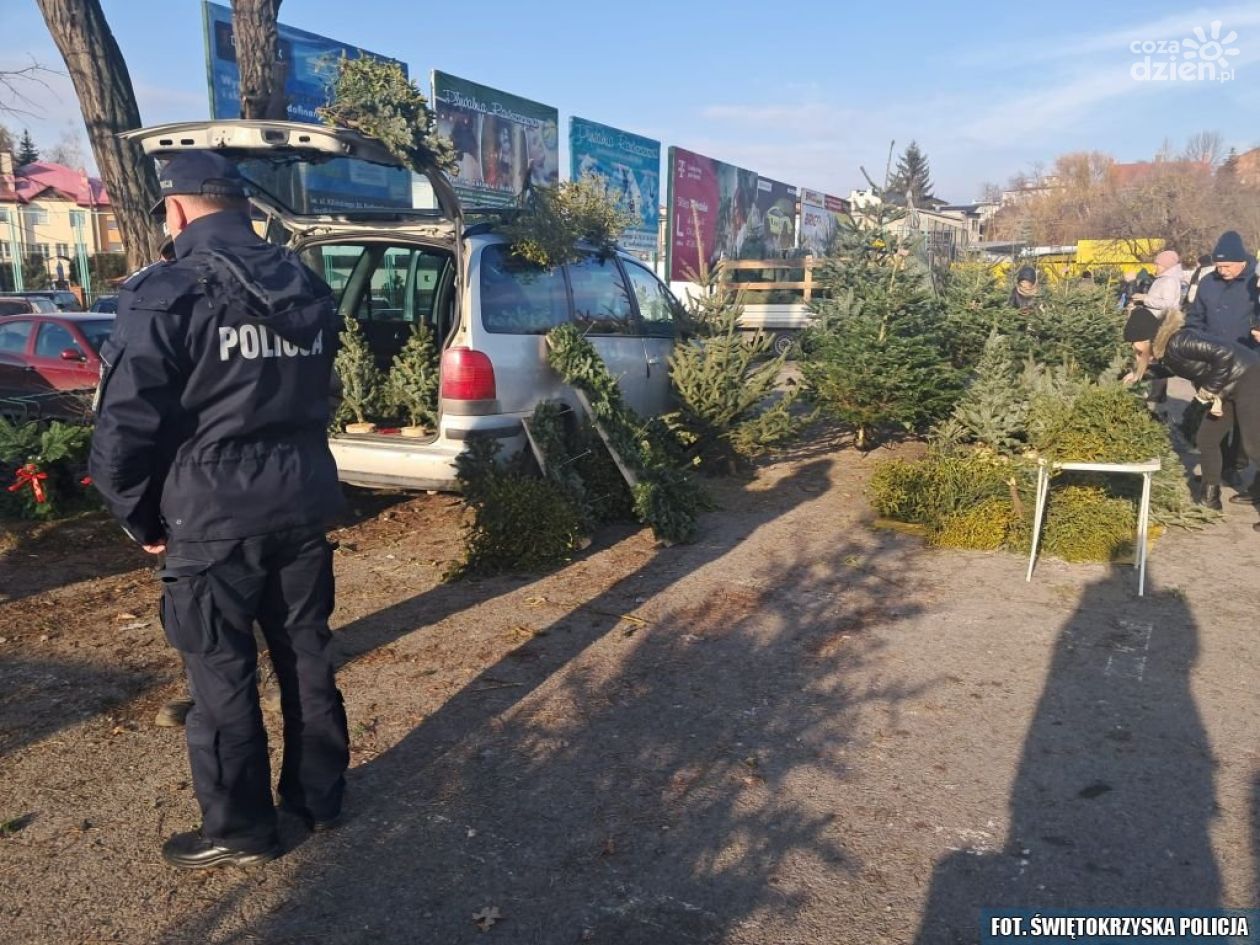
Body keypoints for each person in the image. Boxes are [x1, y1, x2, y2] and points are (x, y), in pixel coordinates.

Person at [89, 151, 349, 869]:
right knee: (306, 659)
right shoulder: (305, 284)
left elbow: (123, 427)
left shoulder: (167, 290)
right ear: (242, 207)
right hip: (301, 505)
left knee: (222, 677)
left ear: (174, 211)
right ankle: (320, 799)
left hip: (210, 519)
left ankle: (241, 829)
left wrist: (138, 517)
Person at [1124, 305, 1260, 515]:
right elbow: (1176, 366)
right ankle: (1210, 499)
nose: (1134, 349)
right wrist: (1140, 375)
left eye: (1134, 343)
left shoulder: (1179, 341)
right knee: (1207, 439)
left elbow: (1224, 355)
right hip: (1228, 386)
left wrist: (1208, 391)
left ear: (1145, 338)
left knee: (1254, 446)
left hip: (1250, 379)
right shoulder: (1168, 349)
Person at [1185, 231, 1260, 499]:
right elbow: (1195, 318)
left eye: (1227, 266)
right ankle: (1212, 484)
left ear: (1242, 262)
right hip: (1216, 367)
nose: (1222, 270)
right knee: (1212, 428)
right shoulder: (1208, 283)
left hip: (1249, 367)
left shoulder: (1254, 283)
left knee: (1249, 436)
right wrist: (1196, 343)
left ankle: (1237, 469)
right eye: (1218, 265)